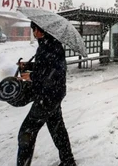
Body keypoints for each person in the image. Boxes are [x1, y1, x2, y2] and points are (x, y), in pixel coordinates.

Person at [16, 21, 76, 166]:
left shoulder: (52, 47)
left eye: (34, 29)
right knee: (57, 130)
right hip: (52, 95)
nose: (33, 33)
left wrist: (32, 76)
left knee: (26, 131)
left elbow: (54, 73)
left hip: (48, 96)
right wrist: (28, 66)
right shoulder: (47, 44)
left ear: (41, 30)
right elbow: (45, 66)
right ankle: (68, 161)